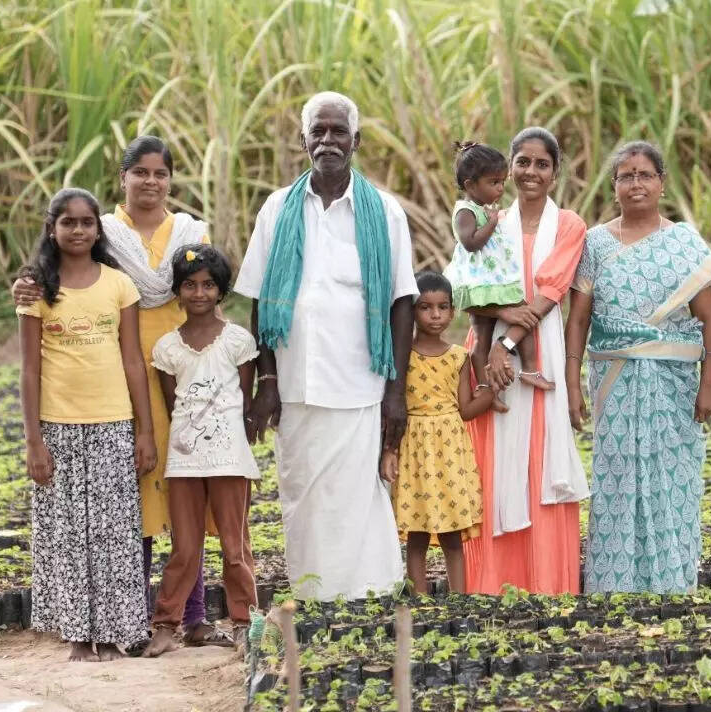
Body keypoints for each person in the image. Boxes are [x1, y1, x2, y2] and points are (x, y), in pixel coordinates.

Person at [11, 136, 220, 649]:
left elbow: (209, 289)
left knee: (189, 489)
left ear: (170, 179)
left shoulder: (189, 232)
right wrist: (25, 285)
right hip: (122, 382)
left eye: (160, 173)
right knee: (132, 502)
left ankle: (192, 616)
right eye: (140, 172)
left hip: (183, 372)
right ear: (122, 177)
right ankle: (132, 620)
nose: (150, 181)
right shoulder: (105, 234)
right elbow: (56, 283)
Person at [235, 91, 417, 601]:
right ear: (303, 140)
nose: (328, 140)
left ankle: (369, 597)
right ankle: (313, 598)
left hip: (361, 382)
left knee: (360, 500)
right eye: (318, 130)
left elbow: (402, 302)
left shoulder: (385, 211)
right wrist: (268, 381)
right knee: (303, 499)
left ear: (356, 140)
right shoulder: (278, 208)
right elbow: (260, 299)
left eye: (339, 131)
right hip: (296, 383)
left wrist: (395, 391)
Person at [564, 141, 711, 593]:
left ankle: (672, 581)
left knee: (672, 477)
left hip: (674, 385)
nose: (636, 183)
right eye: (626, 176)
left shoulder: (684, 243)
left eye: (645, 175)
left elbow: (709, 320)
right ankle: (613, 583)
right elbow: (578, 320)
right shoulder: (595, 244)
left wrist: (708, 384)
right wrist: (573, 383)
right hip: (613, 379)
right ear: (614, 186)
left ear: (661, 183)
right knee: (615, 475)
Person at [17, 188, 156, 661]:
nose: (78, 230)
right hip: (58, 427)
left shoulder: (119, 285)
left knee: (115, 533)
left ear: (98, 229)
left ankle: (115, 633)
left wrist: (144, 430)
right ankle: (78, 635)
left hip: (113, 424)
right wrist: (34, 441)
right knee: (69, 535)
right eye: (68, 222)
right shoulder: (37, 288)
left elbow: (133, 361)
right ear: (51, 228)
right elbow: (29, 370)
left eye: (87, 222)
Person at [462, 126, 590, 595]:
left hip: (539, 353)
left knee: (540, 457)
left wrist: (507, 344)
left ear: (555, 173)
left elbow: (551, 290)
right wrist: (493, 341)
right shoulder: (489, 223)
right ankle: (491, 584)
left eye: (542, 164)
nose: (531, 172)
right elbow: (469, 286)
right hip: (489, 354)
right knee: (494, 458)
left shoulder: (570, 226)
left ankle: (547, 582)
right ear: (509, 167)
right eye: (523, 162)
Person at [144, 244, 259, 656]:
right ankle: (165, 626)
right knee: (185, 548)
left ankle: (245, 623)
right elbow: (173, 403)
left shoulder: (237, 340)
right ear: (177, 291)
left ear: (221, 290)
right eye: (190, 285)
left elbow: (244, 399)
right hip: (185, 462)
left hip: (229, 458)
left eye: (208, 285)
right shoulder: (167, 348)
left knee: (234, 546)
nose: (199, 293)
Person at [379, 271, 495, 595]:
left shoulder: (459, 357)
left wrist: (490, 392)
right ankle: (421, 602)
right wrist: (390, 450)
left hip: (450, 452)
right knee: (416, 534)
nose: (435, 315)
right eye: (425, 307)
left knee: (452, 535)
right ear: (412, 312)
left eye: (443, 307)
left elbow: (465, 409)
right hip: (414, 450)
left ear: (453, 311)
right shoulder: (402, 356)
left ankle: (459, 600)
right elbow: (393, 406)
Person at [443, 142, 553, 412]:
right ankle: (493, 384)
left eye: (502, 182)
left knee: (506, 323)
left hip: (492, 279)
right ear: (470, 185)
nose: (500, 189)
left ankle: (518, 373)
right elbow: (470, 243)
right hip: (480, 282)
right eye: (493, 182)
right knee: (492, 330)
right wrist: (492, 222)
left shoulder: (484, 208)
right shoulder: (466, 211)